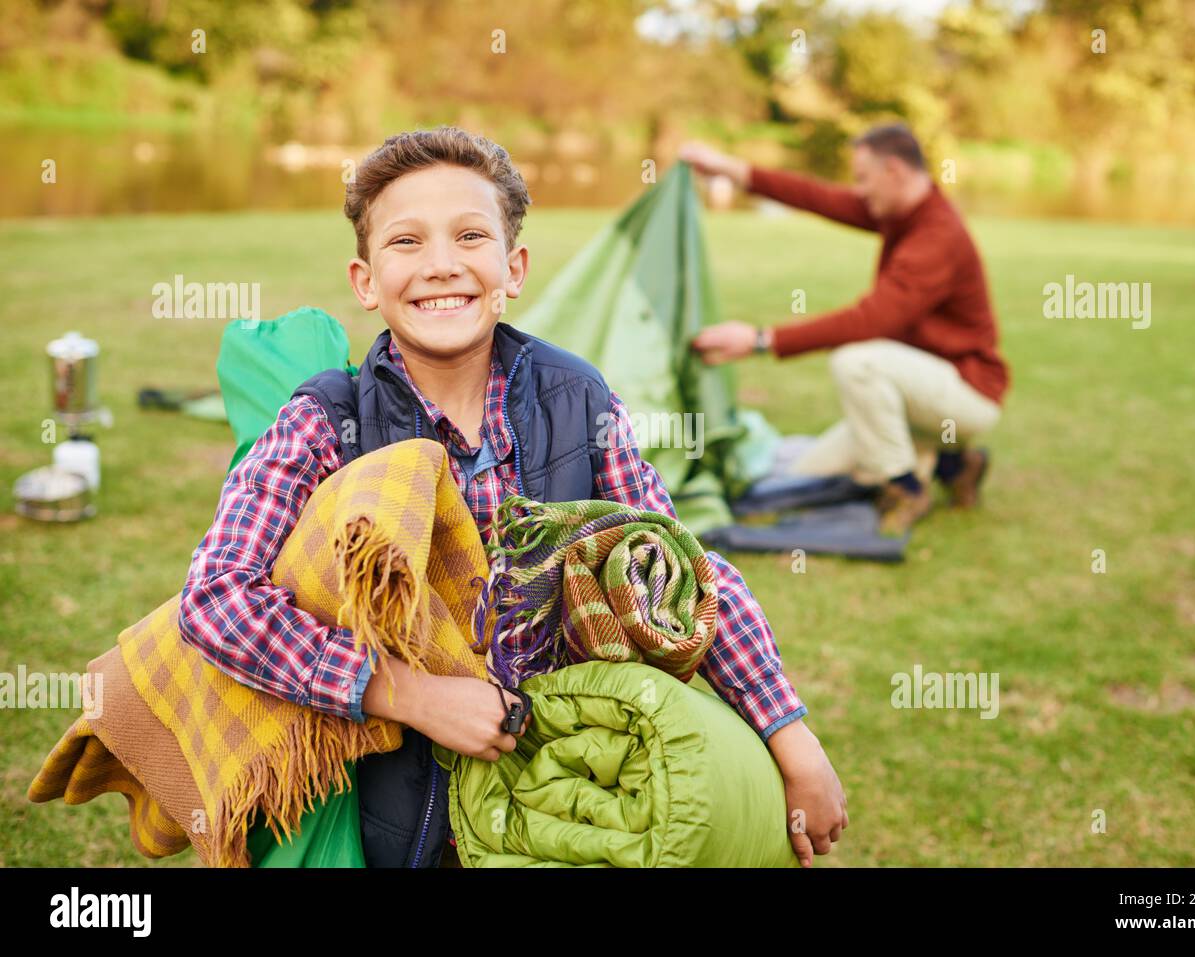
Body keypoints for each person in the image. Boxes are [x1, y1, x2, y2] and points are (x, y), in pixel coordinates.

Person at [177, 126, 847, 867]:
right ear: (365, 281)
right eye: (406, 242)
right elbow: (214, 596)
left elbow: (677, 569)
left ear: (513, 267)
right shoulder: (325, 422)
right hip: (395, 815)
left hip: (561, 793)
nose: (441, 265)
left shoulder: (576, 397)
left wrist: (792, 738)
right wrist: (408, 695)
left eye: (470, 235)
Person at [681, 124, 1010, 536]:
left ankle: (907, 488)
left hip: (968, 390)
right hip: (924, 388)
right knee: (810, 471)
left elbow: (870, 320)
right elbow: (815, 197)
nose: (860, 191)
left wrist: (760, 340)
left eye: (863, 179)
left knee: (857, 362)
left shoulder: (936, 235)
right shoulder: (899, 211)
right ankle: (958, 465)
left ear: (894, 170)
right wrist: (728, 169)